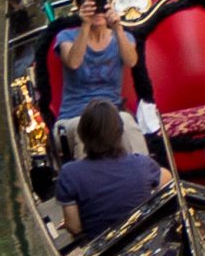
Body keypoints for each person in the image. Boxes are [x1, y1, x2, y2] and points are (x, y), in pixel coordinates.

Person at [54, 100, 161, 243]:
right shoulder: (143, 164)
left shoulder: (69, 174)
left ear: (82, 134)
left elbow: (74, 227)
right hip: (143, 245)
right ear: (120, 132)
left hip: (102, 253)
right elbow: (167, 180)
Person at [52, 0, 137, 140]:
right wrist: (85, 24)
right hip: (73, 117)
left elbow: (131, 61)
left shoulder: (124, 37)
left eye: (99, 3)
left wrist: (117, 28)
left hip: (111, 115)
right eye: (90, 5)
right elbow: (74, 63)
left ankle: (140, 164)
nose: (96, 11)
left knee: (128, 124)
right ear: (79, 7)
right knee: (88, 132)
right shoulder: (66, 37)